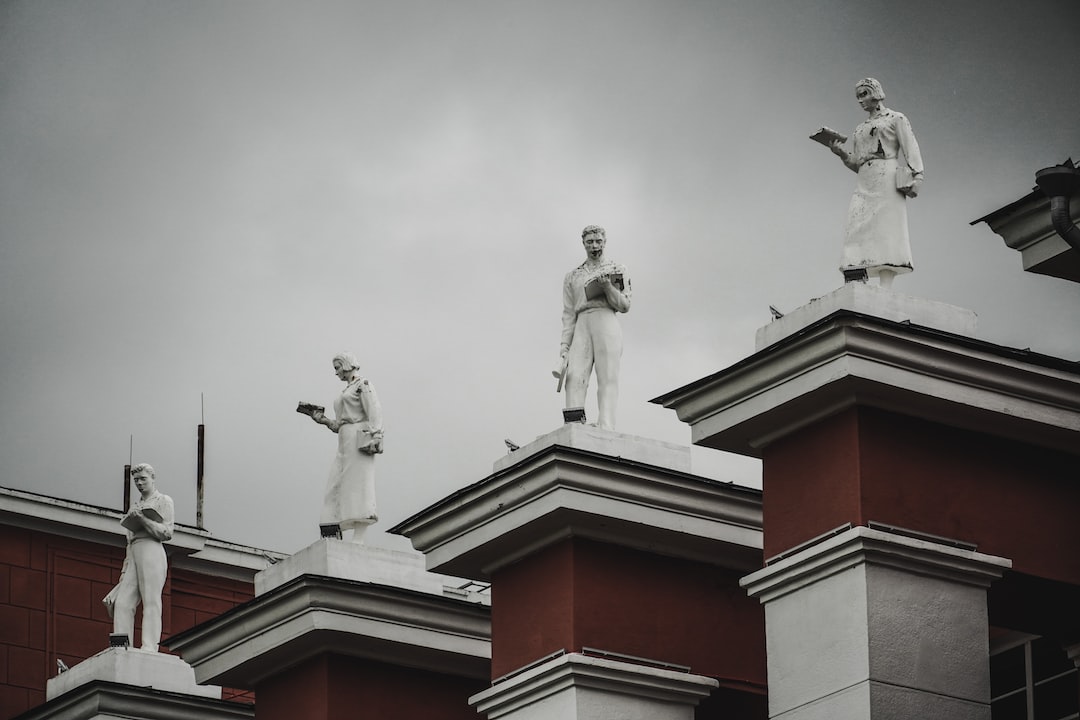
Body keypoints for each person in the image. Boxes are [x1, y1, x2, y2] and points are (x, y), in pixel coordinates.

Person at [828, 77, 923, 288]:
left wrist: (918, 176)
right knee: (855, 227)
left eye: (864, 94)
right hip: (864, 180)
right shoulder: (860, 128)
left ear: (876, 93)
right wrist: (841, 153)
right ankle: (855, 280)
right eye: (858, 96)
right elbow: (857, 163)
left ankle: (886, 284)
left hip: (886, 176)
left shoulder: (895, 118)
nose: (860, 100)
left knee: (887, 229)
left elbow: (911, 148)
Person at [553, 225, 632, 430]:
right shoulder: (573, 276)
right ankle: (574, 425)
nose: (595, 246)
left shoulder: (616, 269)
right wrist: (564, 346)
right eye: (590, 242)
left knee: (607, 375)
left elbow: (624, 305)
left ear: (604, 242)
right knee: (574, 376)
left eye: (598, 241)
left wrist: (607, 287)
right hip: (582, 322)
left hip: (605, 318)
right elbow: (568, 314)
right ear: (584, 244)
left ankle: (606, 424)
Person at [309, 352, 383, 543]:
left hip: (359, 437)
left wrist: (376, 435)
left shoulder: (363, 385)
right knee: (335, 485)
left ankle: (359, 536)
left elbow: (374, 411)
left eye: (338, 367)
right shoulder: (346, 390)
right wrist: (324, 420)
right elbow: (339, 425)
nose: (336, 373)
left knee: (358, 485)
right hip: (344, 439)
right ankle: (332, 532)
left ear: (347, 365)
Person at [103, 463, 174, 652]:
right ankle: (121, 647)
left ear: (152, 478)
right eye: (136, 481)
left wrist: (143, 519)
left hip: (152, 549)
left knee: (151, 599)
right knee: (122, 602)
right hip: (134, 551)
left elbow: (167, 532)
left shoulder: (163, 500)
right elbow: (129, 543)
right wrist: (123, 574)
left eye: (143, 479)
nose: (139, 483)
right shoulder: (134, 507)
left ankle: (149, 646)